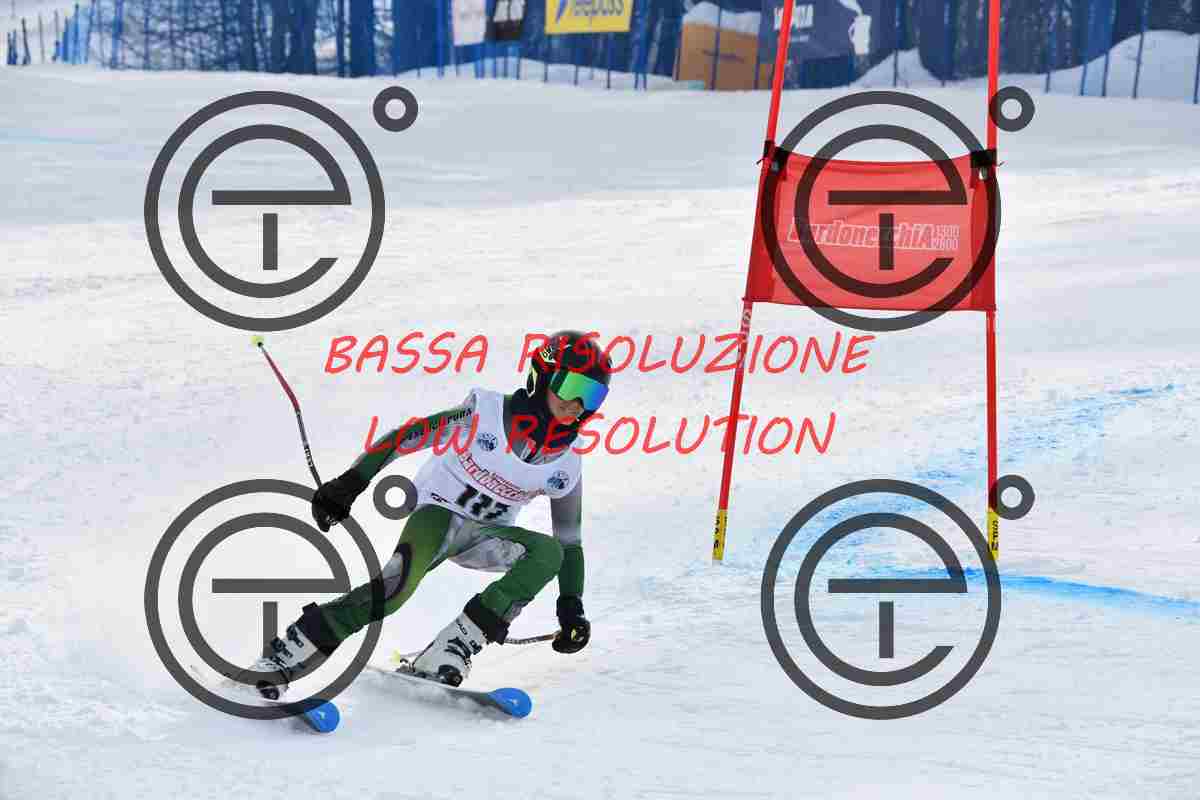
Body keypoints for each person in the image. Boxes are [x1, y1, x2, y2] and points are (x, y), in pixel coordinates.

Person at [243, 331, 611, 698]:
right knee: (394, 591)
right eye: (571, 386)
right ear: (541, 377)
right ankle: (285, 657)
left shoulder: (568, 461)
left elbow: (569, 541)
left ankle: (450, 648)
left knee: (549, 553)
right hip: (438, 515)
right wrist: (351, 482)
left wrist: (571, 607)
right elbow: (407, 436)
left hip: (486, 537)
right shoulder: (483, 412)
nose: (578, 404)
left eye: (593, 395)